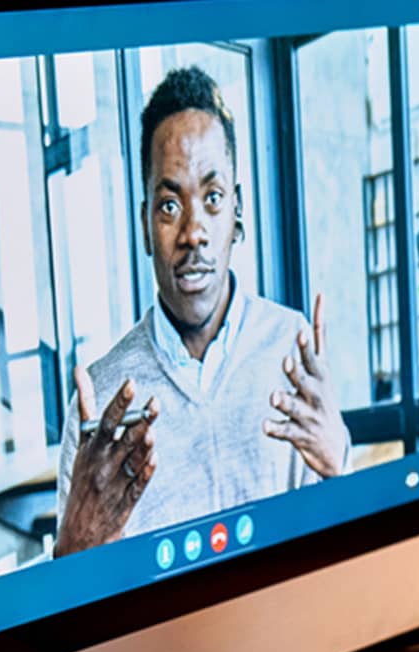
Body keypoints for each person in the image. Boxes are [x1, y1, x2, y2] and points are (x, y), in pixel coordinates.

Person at [55, 67, 349, 556]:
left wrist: (339, 462)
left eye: (212, 198)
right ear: (146, 225)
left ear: (237, 213)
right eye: (169, 205)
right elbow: (70, 609)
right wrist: (74, 548)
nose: (193, 232)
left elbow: (341, 553)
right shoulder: (102, 401)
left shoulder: (290, 347)